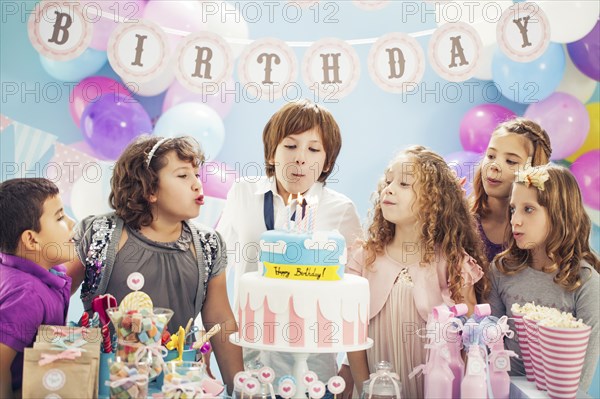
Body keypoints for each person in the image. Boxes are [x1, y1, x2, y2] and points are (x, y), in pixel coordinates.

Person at [66, 136, 242, 391]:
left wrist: (240, 389)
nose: (196, 184)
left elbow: (221, 321)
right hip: (107, 384)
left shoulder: (208, 243)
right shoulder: (100, 234)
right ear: (149, 190)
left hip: (177, 385)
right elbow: (54, 294)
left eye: (196, 174)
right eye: (183, 176)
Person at [217, 99, 362, 385]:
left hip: (314, 365)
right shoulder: (243, 193)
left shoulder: (341, 210)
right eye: (291, 145)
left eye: (313, 149)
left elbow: (356, 296)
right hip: (250, 358)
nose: (300, 158)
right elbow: (217, 271)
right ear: (272, 151)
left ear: (327, 161)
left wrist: (348, 362)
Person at [345, 146, 488, 398]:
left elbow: (470, 343)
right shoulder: (363, 259)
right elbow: (352, 337)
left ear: (434, 199)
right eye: (388, 181)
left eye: (404, 183)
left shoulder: (454, 263)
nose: (388, 188)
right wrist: (366, 388)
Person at [488, 164, 599, 391]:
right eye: (512, 209)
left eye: (528, 209)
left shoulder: (586, 283)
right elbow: (492, 345)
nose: (514, 220)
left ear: (560, 214)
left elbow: (580, 380)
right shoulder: (501, 270)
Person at [0, 178, 75, 397]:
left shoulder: (50, 272)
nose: (71, 223)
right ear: (32, 240)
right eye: (60, 217)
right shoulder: (26, 294)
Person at [471, 118, 552, 262]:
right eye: (490, 156)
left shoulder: (544, 233)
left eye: (511, 161)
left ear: (534, 170)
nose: (494, 165)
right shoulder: (463, 221)